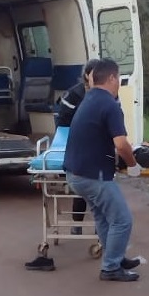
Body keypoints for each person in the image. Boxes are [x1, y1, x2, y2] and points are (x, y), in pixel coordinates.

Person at [63, 58, 142, 282]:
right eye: (118, 79)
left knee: (104, 218)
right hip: (92, 175)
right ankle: (110, 267)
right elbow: (121, 144)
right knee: (123, 219)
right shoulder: (109, 104)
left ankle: (114, 258)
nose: (119, 84)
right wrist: (134, 165)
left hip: (76, 173)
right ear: (111, 78)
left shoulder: (89, 99)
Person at [57, 59, 100, 235]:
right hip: (76, 146)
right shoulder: (74, 95)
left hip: (98, 148)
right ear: (86, 76)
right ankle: (77, 224)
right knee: (81, 187)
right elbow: (62, 124)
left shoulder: (109, 96)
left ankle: (100, 226)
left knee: (100, 189)